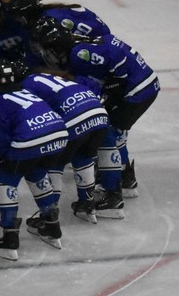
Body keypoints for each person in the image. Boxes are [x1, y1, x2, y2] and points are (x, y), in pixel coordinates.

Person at [29, 18, 160, 217]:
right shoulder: (77, 46)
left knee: (106, 133)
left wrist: (113, 90)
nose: (44, 55)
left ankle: (112, 196)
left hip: (138, 90)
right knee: (111, 130)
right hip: (141, 86)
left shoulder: (79, 55)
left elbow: (118, 67)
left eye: (47, 51)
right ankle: (124, 179)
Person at [0, 60, 70, 255]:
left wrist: (3, 161)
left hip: (30, 142)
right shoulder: (27, 92)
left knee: (6, 178)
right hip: (59, 138)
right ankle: (52, 225)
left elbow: (0, 137)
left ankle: (10, 236)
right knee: (36, 171)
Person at [15, 62, 111, 227]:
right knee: (83, 156)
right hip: (100, 116)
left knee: (53, 163)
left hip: (75, 118)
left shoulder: (24, 86)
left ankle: (49, 216)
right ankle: (87, 204)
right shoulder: (51, 76)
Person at [6, 0, 110, 39]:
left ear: (29, 13)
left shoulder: (51, 21)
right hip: (103, 37)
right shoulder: (50, 13)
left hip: (101, 42)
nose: (17, 20)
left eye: (19, 17)